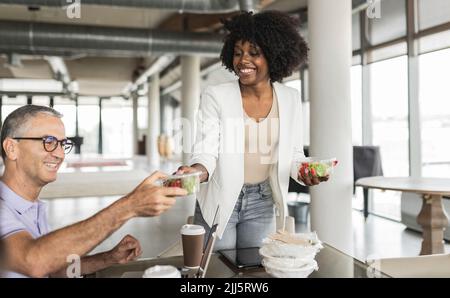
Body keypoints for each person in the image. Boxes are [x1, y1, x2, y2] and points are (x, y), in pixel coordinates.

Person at [177, 11, 328, 251]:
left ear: (274, 55)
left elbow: (294, 154)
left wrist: (305, 172)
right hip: (220, 196)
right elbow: (206, 151)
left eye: (254, 53)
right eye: (238, 53)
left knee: (254, 271)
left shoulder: (290, 99)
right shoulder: (216, 96)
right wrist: (196, 172)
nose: (243, 60)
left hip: (263, 201)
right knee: (217, 270)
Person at [0, 105, 187, 278]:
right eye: (49, 141)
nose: (59, 154)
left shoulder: (32, 208)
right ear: (11, 148)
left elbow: (52, 268)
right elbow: (34, 261)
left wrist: (108, 258)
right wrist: (129, 206)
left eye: (62, 144)